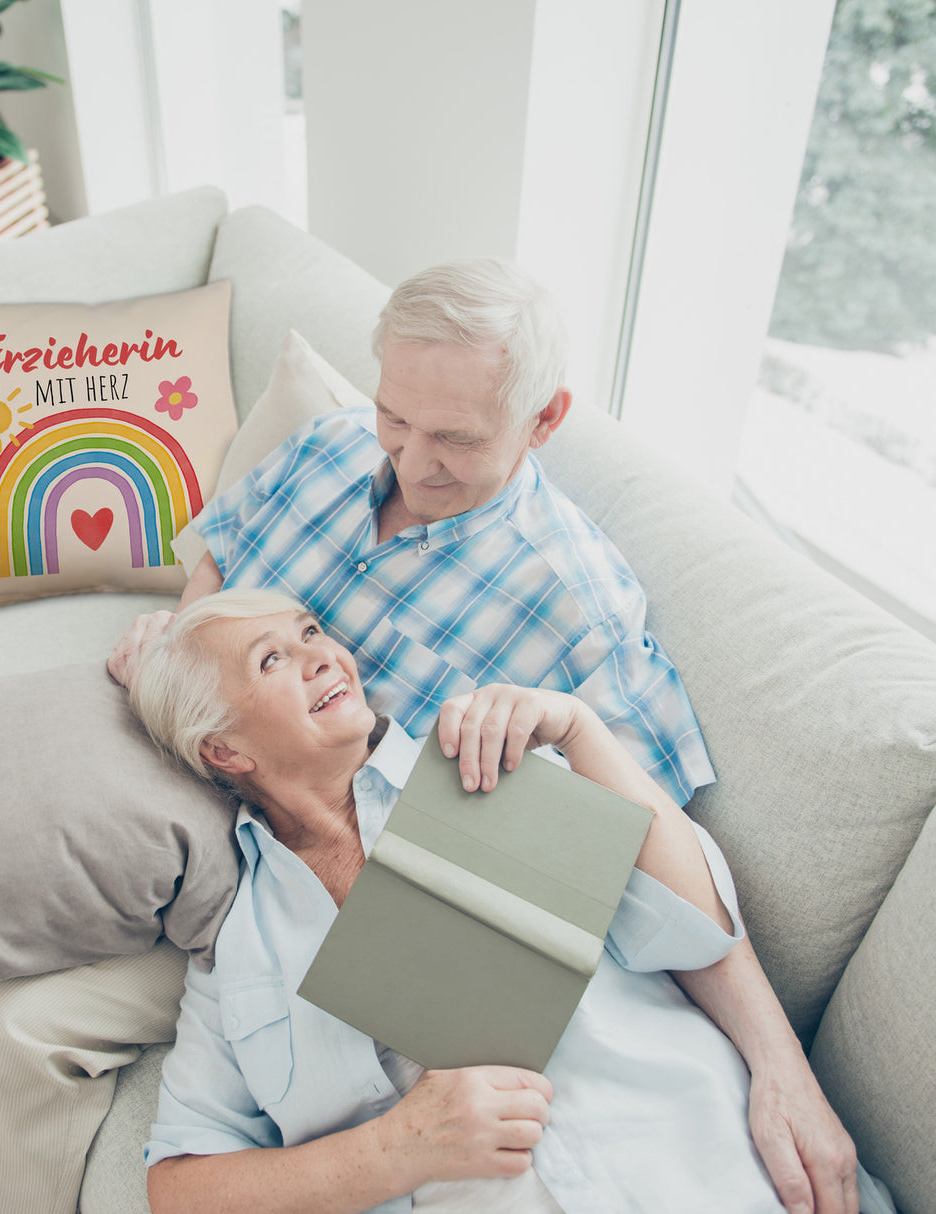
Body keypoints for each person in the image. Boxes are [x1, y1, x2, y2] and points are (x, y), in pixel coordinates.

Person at [111, 259, 858, 1213]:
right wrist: (184, 651)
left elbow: (666, 886)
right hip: (215, 834)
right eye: (396, 418)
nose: (411, 462)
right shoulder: (329, 450)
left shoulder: (553, 660)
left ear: (544, 420)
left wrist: (780, 1069)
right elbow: (222, 549)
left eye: (454, 438)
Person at [129, 588, 879, 1214]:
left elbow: (695, 929)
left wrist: (580, 730)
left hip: (709, 1166)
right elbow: (180, 1186)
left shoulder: (483, 761)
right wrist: (394, 1150)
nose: (323, 654)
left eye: (311, 632)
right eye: (272, 659)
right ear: (224, 750)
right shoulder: (238, 952)